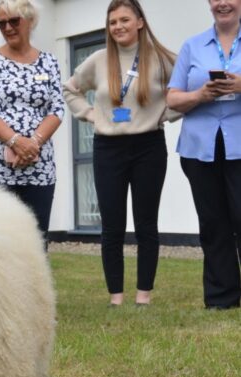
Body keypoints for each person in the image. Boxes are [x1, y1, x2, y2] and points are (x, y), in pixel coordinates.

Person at [63, 0, 177, 307]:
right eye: (113, 22)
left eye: (125, 19)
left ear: (140, 22)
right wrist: (89, 114)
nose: (119, 27)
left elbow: (186, 90)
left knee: (146, 224)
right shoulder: (98, 60)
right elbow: (70, 89)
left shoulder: (162, 58)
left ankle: (144, 295)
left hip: (149, 147)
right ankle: (116, 297)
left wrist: (163, 115)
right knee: (112, 226)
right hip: (108, 148)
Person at [167, 0, 241, 310]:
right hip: (200, 149)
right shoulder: (192, 46)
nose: (223, 3)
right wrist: (201, 94)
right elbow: (172, 98)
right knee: (213, 224)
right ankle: (221, 299)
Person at [0, 0, 65, 239]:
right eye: (1, 23)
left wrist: (33, 143)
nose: (8, 28)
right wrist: (16, 141)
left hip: (39, 167)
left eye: (14, 21)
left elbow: (56, 109)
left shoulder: (49, 62)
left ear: (30, 20)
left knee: (36, 243)